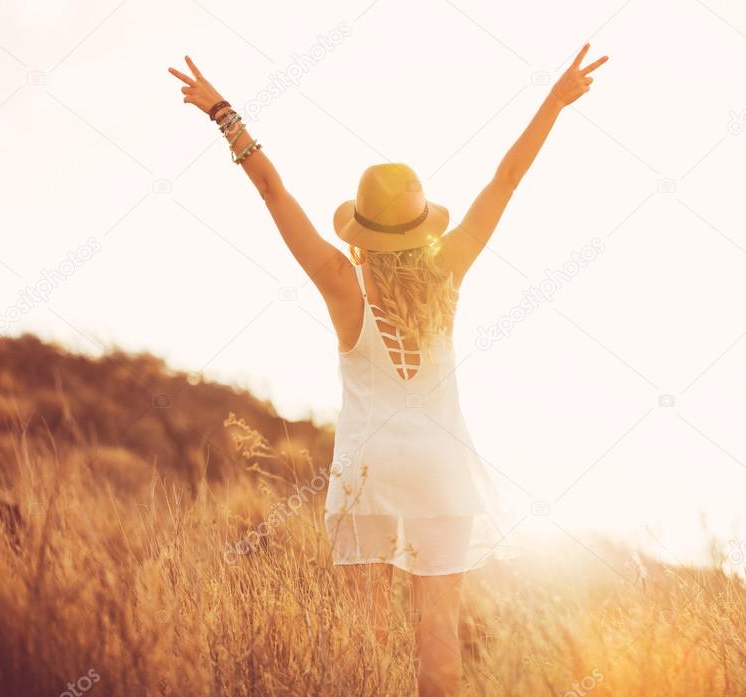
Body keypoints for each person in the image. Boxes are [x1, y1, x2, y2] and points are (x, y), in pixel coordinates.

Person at [169, 42, 608, 697]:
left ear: (360, 234)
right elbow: (505, 179)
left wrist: (224, 114)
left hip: (366, 476)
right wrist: (556, 100)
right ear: (421, 228)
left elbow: (271, 189)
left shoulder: (343, 288)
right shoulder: (449, 272)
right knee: (440, 649)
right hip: (440, 470)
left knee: (362, 653)